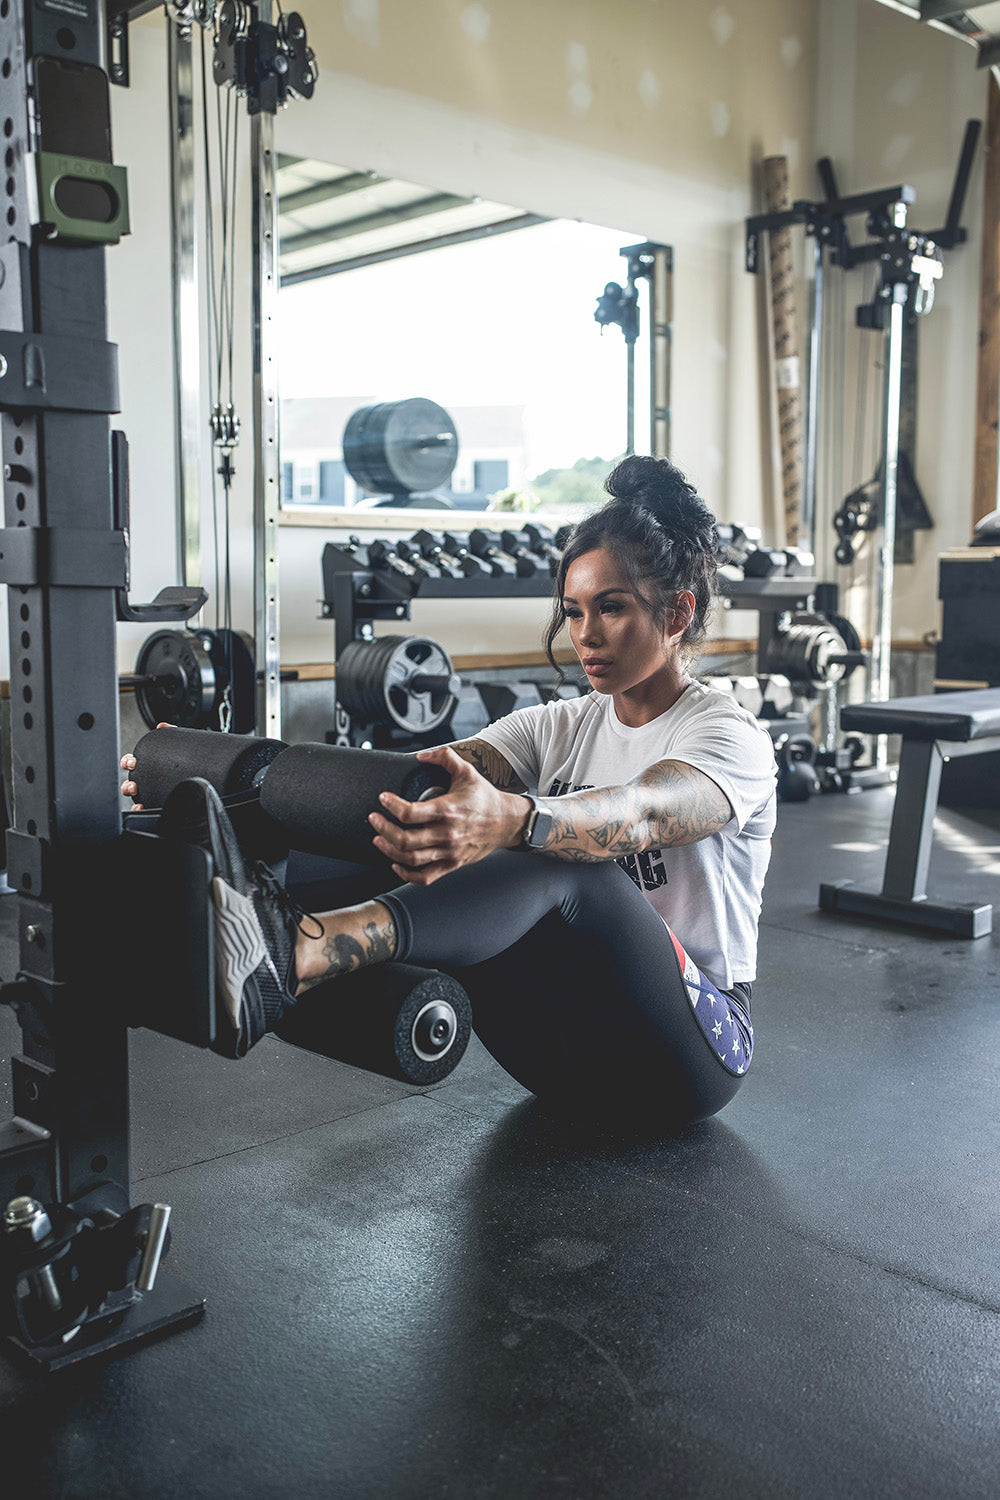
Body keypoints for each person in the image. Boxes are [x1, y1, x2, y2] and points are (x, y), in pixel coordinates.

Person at [122, 455, 777, 1123]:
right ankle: (215, 906)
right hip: (554, 1059)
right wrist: (205, 771)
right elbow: (398, 788)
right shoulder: (555, 726)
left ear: (676, 615)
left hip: (689, 1054)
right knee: (417, 818)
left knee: (554, 850)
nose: (585, 634)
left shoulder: (728, 737)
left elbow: (642, 815)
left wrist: (515, 819)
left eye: (611, 608)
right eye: (573, 611)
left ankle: (299, 952)